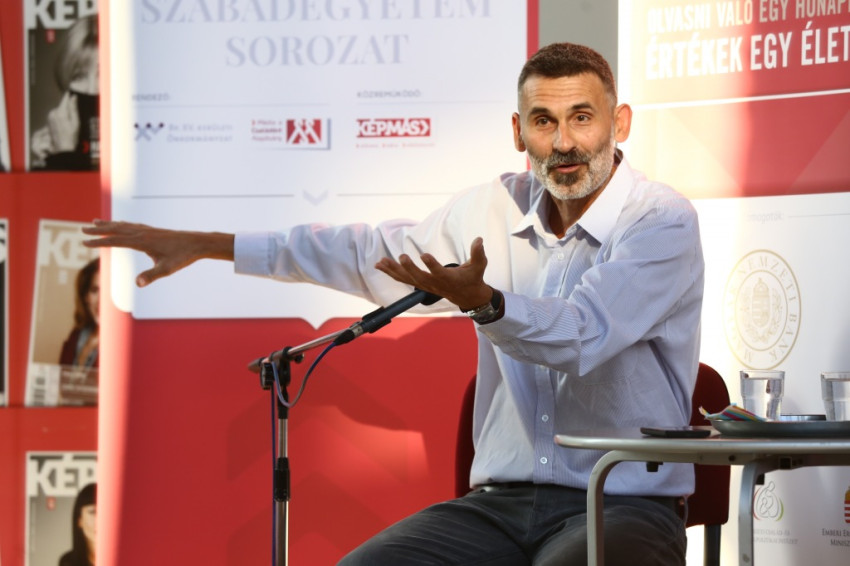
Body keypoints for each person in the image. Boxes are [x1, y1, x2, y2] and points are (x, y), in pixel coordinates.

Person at [83, 42, 704, 565]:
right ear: (518, 132)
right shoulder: (494, 206)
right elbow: (371, 255)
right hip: (499, 506)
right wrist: (213, 245)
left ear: (620, 123)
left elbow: (583, 334)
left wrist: (488, 305)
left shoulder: (661, 221)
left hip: (622, 502)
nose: (564, 143)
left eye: (582, 118)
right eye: (544, 121)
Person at [31, 15, 99, 171]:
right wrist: (51, 161)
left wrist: (64, 155)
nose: (91, 89)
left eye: (104, 74)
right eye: (79, 76)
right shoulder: (55, 139)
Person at [59, 257, 99, 370]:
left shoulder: (126, 344)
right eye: (94, 290)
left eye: (107, 291)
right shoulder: (76, 335)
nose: (101, 300)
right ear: (85, 296)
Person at [59, 482, 96, 566]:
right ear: (79, 520)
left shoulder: (123, 558)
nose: (99, 520)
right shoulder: (68, 562)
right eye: (93, 512)